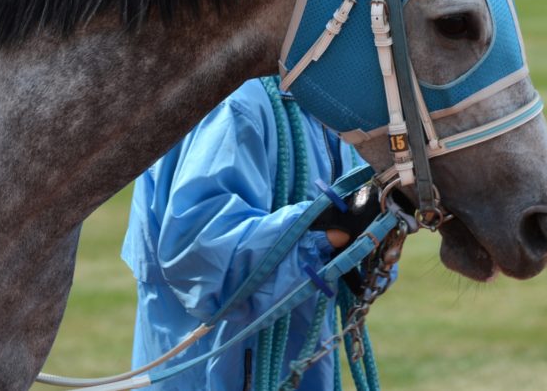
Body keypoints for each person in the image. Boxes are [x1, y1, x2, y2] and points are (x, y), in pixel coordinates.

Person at [121, 77, 375, 390]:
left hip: (301, 366)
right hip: (210, 373)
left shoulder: (329, 103)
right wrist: (328, 233)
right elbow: (206, 263)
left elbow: (358, 263)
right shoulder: (235, 103)